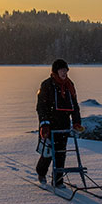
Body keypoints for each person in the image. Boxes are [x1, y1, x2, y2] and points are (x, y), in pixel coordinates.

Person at [36, 59, 84, 187]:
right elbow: (41, 106)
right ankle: (41, 172)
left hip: (63, 124)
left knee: (61, 153)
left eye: (66, 70)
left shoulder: (69, 85)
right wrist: (44, 124)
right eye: (62, 70)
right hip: (50, 124)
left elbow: (74, 105)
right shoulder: (47, 85)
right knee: (48, 152)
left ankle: (58, 181)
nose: (64, 72)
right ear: (55, 71)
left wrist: (76, 122)